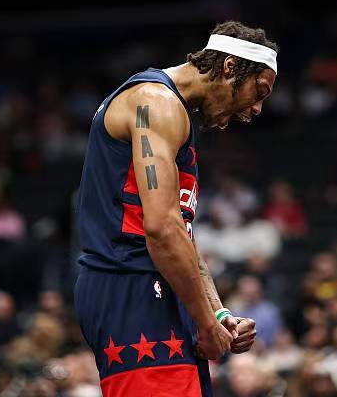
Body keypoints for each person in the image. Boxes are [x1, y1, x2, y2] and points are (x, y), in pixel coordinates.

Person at [73, 21, 277, 396]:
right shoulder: (155, 102)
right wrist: (206, 323)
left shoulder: (173, 113)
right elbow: (162, 229)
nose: (257, 108)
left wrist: (217, 314)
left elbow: (181, 233)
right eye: (258, 91)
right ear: (230, 66)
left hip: (154, 285)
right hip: (128, 284)